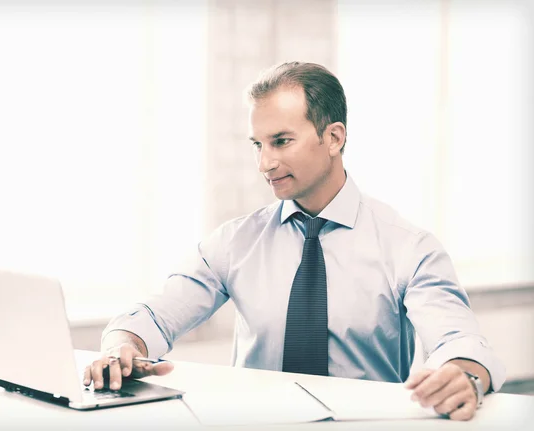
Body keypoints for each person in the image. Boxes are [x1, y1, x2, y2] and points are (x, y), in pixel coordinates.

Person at [83, 62, 505, 421]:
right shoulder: (236, 242)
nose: (265, 163)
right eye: (258, 145)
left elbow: (459, 342)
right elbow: (155, 316)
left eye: (281, 141)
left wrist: (462, 374)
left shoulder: (408, 247)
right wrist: (122, 345)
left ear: (334, 138)